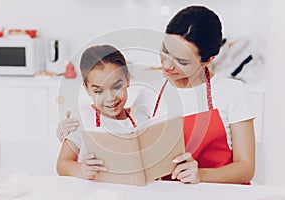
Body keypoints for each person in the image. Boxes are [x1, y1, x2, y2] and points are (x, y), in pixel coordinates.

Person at [57, 5, 255, 184]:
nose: (167, 65)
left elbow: (246, 169)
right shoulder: (150, 92)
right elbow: (116, 128)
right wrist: (72, 130)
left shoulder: (232, 91)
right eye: (165, 51)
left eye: (182, 61)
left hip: (222, 193)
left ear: (208, 60)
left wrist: (202, 175)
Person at [56, 44, 150, 180]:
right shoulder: (80, 119)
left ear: (127, 79)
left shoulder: (140, 117)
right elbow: (62, 164)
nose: (110, 98)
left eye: (117, 87)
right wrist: (82, 169)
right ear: (87, 89)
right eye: (99, 91)